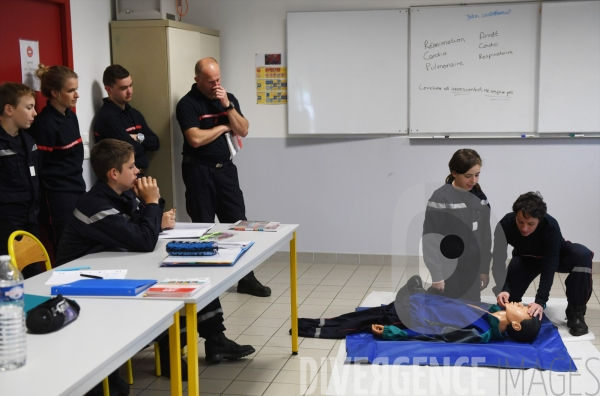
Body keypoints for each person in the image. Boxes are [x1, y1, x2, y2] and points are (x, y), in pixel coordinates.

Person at [57, 139, 254, 382]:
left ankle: (216, 340)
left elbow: (141, 229)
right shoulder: (95, 205)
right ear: (114, 173)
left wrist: (153, 213)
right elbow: (143, 240)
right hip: (83, 282)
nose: (138, 170)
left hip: (115, 266)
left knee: (190, 272)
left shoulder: (121, 194)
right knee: (169, 285)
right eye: (131, 167)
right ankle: (170, 353)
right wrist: (151, 204)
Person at [175, 57, 270, 297]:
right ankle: (205, 281)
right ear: (197, 80)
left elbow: (244, 129)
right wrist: (223, 127)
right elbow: (195, 139)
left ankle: (246, 279)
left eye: (218, 79)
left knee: (239, 223)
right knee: (204, 225)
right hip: (199, 171)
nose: (215, 84)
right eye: (210, 81)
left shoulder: (228, 98)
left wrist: (228, 107)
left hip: (226, 169)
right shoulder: (187, 104)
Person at [297, 276, 541, 344]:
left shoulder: (481, 333)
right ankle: (312, 323)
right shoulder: (490, 309)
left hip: (410, 318)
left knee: (356, 324)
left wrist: (395, 333)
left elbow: (438, 334)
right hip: (417, 303)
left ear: (516, 325)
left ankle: (308, 329)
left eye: (524, 309)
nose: (523, 304)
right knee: (359, 316)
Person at [492, 191, 594, 336]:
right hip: (526, 259)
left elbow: (549, 266)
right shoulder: (505, 224)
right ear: (515, 216)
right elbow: (497, 260)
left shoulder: (550, 226)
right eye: (520, 222)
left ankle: (575, 313)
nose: (524, 228)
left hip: (556, 257)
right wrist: (504, 288)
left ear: (540, 219)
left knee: (582, 255)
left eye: (531, 224)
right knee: (508, 301)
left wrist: (540, 301)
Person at [27, 64, 86, 259]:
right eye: (70, 90)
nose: (76, 95)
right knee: (65, 249)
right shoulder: (45, 124)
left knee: (81, 245)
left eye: (76, 89)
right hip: (57, 197)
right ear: (54, 93)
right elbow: (39, 165)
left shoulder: (70, 116)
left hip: (76, 188)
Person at [422, 149, 492, 302]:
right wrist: (437, 275)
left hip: (472, 267)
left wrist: (484, 269)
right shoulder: (440, 198)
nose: (473, 180)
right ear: (454, 173)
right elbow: (430, 238)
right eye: (468, 176)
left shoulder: (481, 198)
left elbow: (485, 237)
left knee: (471, 312)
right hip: (449, 268)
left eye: (477, 174)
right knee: (449, 312)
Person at [0, 82, 41, 278]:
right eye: (29, 107)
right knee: (9, 278)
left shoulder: (29, 141)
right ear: (9, 109)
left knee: (33, 274)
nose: (34, 114)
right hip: (5, 224)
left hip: (30, 219)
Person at [94, 64, 159, 173]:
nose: (129, 91)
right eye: (123, 88)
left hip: (139, 176)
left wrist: (137, 137)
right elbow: (130, 152)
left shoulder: (134, 113)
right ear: (108, 89)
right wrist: (141, 145)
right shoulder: (107, 117)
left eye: (130, 85)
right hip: (119, 182)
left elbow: (155, 143)